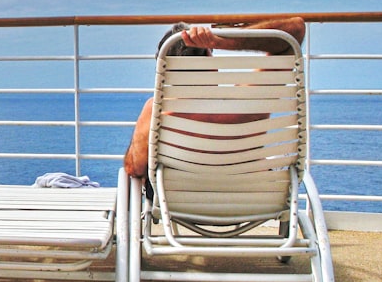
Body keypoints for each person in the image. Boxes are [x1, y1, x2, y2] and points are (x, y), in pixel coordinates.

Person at [122, 17, 306, 180]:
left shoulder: (157, 110)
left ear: (164, 70)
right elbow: (295, 30)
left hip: (178, 209)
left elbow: (134, 168)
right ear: (211, 63)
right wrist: (221, 40)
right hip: (250, 207)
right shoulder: (247, 101)